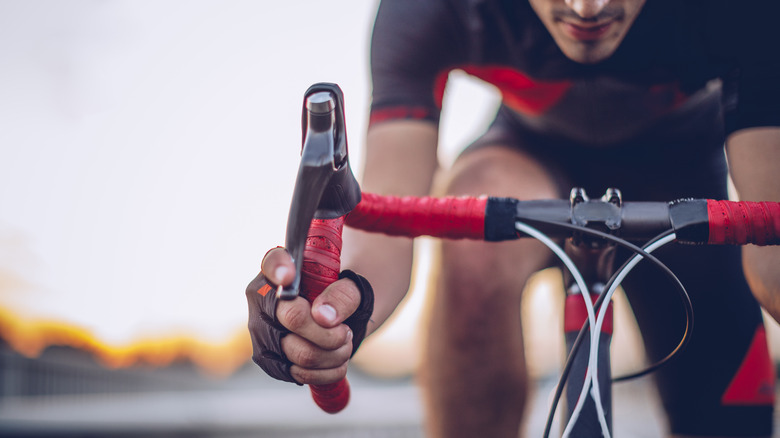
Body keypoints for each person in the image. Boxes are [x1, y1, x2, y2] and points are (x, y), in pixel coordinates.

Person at [248, 0, 780, 436]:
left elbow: (773, 256)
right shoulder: (428, 10)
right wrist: (339, 306)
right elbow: (384, 228)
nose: (586, 8)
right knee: (476, 214)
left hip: (682, 171)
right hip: (527, 155)